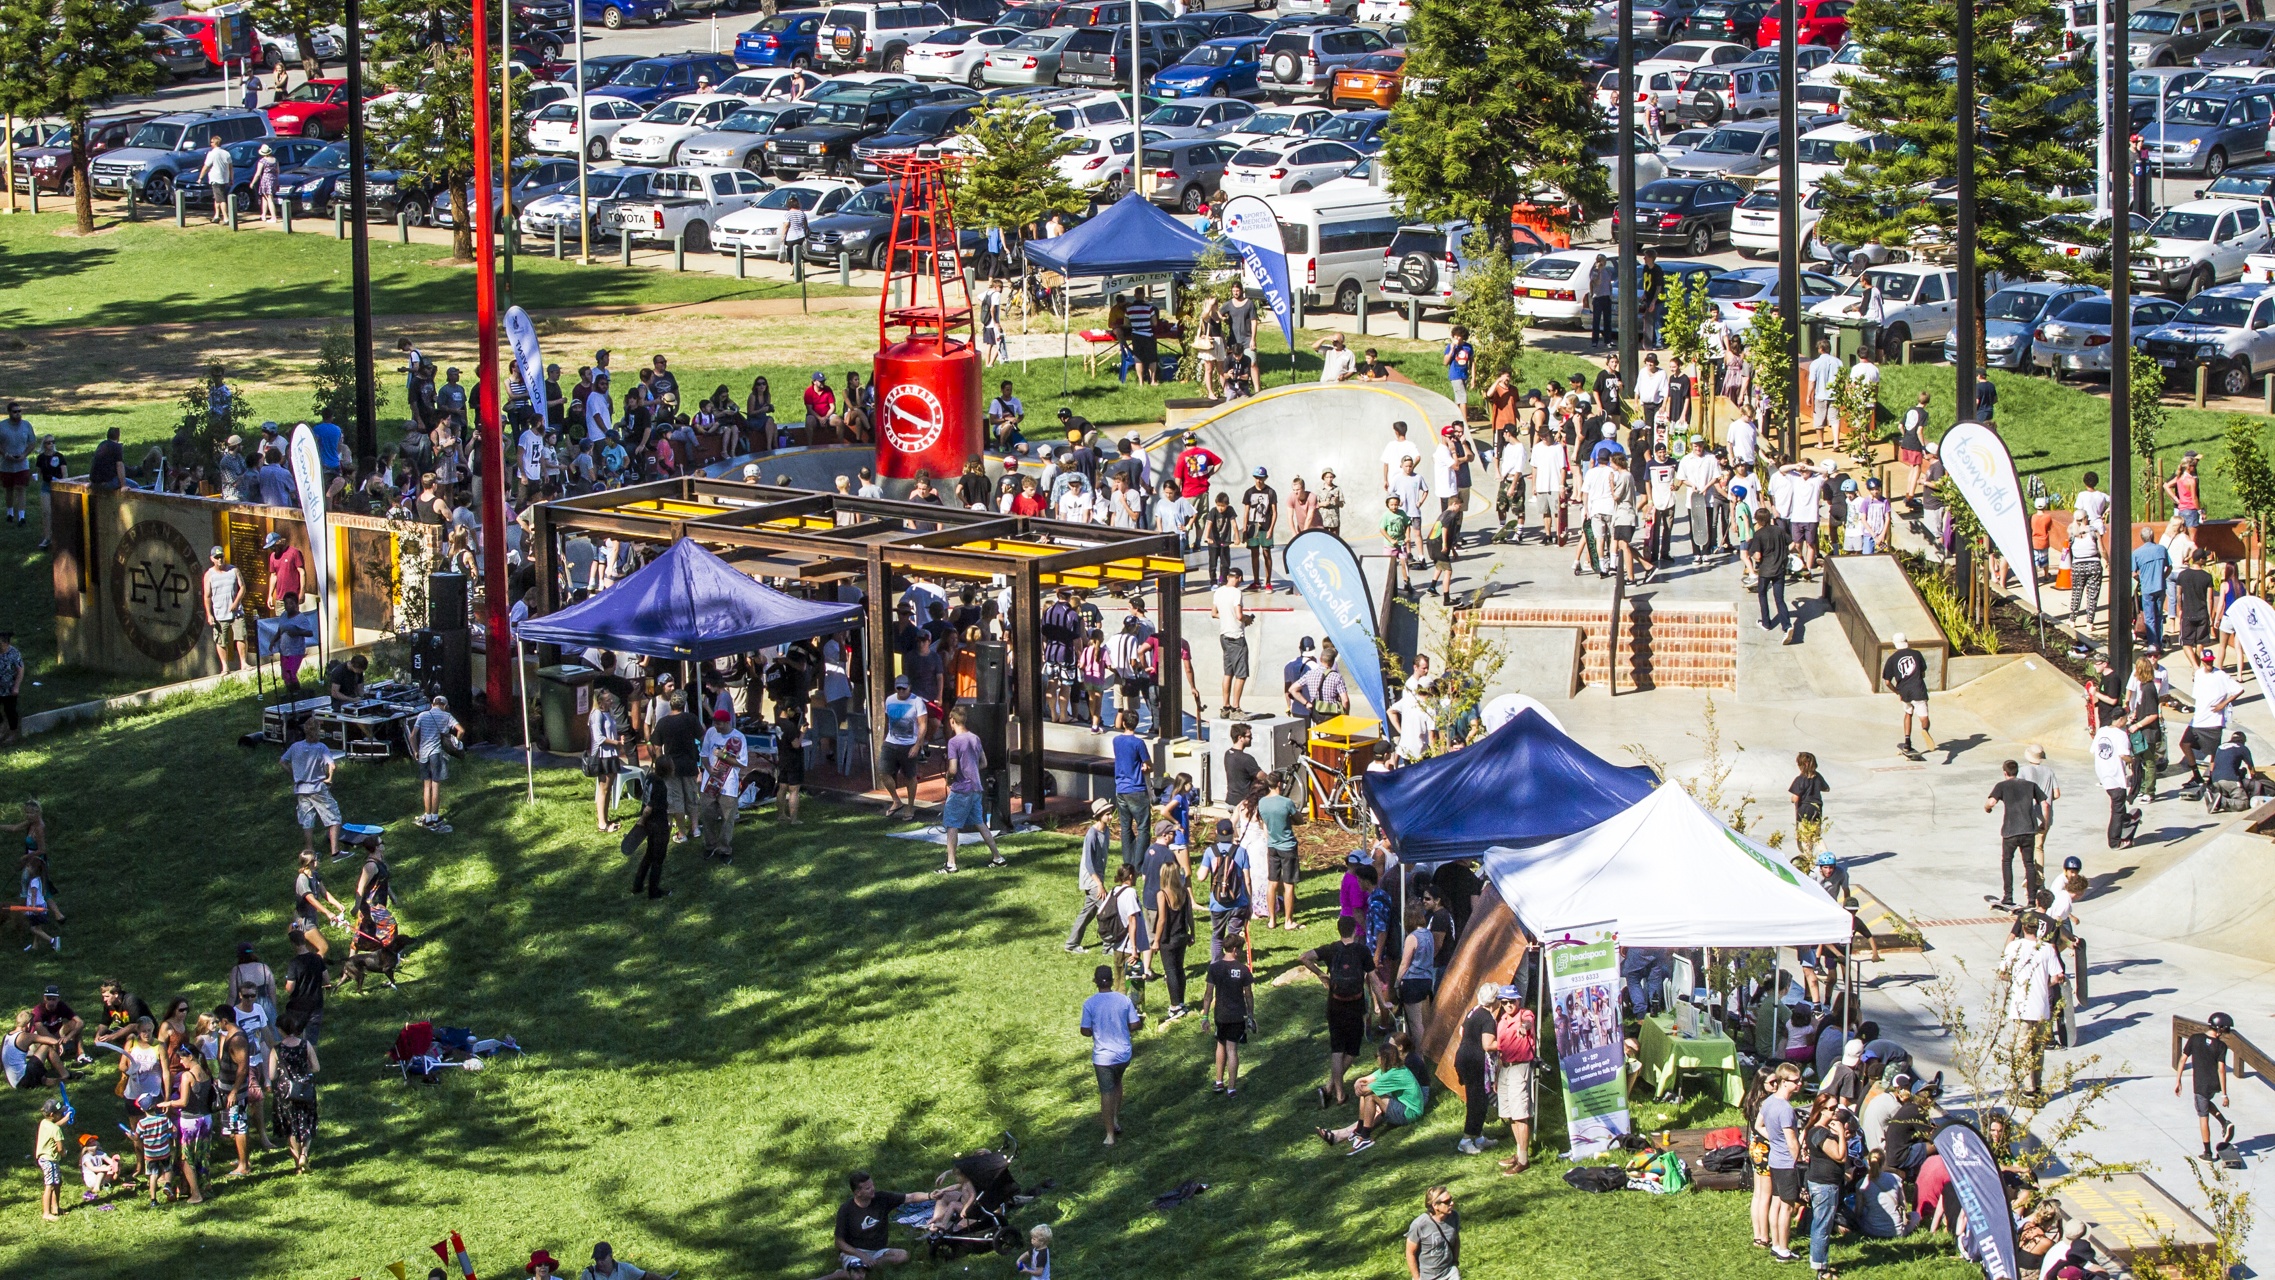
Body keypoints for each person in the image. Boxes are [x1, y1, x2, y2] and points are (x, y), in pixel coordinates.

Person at [1298, 915, 1373, 1107]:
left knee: (1337, 1049)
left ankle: (1336, 1092)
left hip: (1335, 1004)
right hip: (1355, 1004)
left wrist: (1321, 974)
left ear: (1339, 931)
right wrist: (1380, 1004)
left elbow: (1304, 957)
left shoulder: (1331, 949)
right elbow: (1373, 977)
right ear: (1354, 930)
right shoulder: (1362, 951)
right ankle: (1330, 1088)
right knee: (1353, 1049)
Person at [1317, 1041, 1426, 1154]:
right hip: (1403, 1106)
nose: (1376, 1059)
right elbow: (1365, 1080)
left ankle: (1365, 1137)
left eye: (1376, 1056)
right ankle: (1359, 1130)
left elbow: (1366, 1089)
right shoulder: (1389, 1069)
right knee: (1368, 1092)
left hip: (1410, 1114)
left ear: (1384, 1058)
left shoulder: (1395, 1074)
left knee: (1371, 1094)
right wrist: (1358, 1083)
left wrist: (1360, 1088)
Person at [1079, 963, 1142, 1145]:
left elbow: (1084, 1030)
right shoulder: (1123, 1000)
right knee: (1117, 1082)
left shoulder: (1090, 1003)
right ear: (1113, 980)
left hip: (1103, 1057)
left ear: (1095, 981)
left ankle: (1109, 1135)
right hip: (1123, 1054)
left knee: (1106, 1092)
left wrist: (1094, 1030)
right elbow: (1135, 1024)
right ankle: (1114, 1119)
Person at [940, 706, 1002, 873]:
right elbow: (984, 763)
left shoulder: (953, 742)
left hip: (961, 789)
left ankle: (951, 864)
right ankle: (998, 857)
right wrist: (971, 769)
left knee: (952, 824)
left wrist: (948, 778)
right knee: (980, 823)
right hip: (976, 787)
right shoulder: (975, 738)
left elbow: (953, 769)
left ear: (952, 721)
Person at [1986, 758, 2048, 909]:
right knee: (2029, 864)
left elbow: (1991, 802)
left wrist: (1987, 808)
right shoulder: (2030, 785)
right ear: (2017, 771)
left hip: (2010, 831)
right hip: (2028, 830)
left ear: (2005, 772)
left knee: (2007, 862)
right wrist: (2044, 823)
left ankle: (2008, 896)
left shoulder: (2001, 786)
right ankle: (2032, 899)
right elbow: (2045, 804)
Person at [1757, 1063, 1804, 1262]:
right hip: (1786, 1164)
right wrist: (1799, 1161)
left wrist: (1774, 1140)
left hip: (1774, 1160)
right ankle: (1783, 1250)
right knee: (1787, 1207)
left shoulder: (1768, 1102)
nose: (1800, 1084)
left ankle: (1776, 1245)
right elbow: (1792, 1141)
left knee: (1776, 1203)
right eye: (1796, 1081)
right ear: (1784, 1082)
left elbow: (1759, 1125)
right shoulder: (1786, 1109)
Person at [1202, 920, 1254, 1095]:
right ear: (1235, 950)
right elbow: (1248, 995)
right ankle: (1231, 1088)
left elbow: (1208, 994)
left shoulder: (1214, 968)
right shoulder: (1243, 969)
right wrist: (1251, 1015)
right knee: (1232, 1049)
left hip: (1220, 1014)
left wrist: (1205, 1016)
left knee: (1220, 1044)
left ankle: (1219, 1082)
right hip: (1237, 1014)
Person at [2178, 1011, 2238, 1160]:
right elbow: (2221, 1069)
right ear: (2220, 1029)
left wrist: (2178, 1080)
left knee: (2203, 1116)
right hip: (2213, 1084)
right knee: (2205, 1103)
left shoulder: (2195, 1038)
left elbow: (2183, 1059)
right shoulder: (2221, 1046)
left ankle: (2207, 1153)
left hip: (2200, 1085)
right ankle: (2224, 1122)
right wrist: (2224, 1094)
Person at [282, 718, 343, 861]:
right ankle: (335, 852)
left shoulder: (295, 746)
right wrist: (329, 778)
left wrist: (294, 774)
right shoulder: (321, 747)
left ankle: (310, 852)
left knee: (307, 820)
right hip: (317, 787)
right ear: (317, 731)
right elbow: (332, 765)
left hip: (301, 789)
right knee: (334, 817)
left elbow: (283, 762)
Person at [267, 1011, 320, 1174]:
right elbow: (316, 1067)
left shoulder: (277, 1049)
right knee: (307, 1122)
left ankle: (298, 1165)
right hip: (304, 1088)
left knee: (290, 1126)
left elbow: (271, 1075)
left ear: (280, 1029)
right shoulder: (305, 1045)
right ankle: (304, 1154)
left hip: (285, 1091)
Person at [1804, 1095, 1851, 1277]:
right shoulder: (1820, 1133)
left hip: (1821, 1183)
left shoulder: (1816, 1130)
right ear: (1821, 1110)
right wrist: (1841, 1134)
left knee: (1820, 1224)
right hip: (1825, 1185)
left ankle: (1818, 1262)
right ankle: (1821, 1269)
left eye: (1836, 1107)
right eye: (1831, 1109)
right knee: (1822, 1227)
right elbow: (1840, 1156)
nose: (1835, 1111)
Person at [697, 708, 748, 864]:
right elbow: (704, 755)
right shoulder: (711, 733)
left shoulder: (739, 738)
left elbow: (742, 763)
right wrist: (708, 769)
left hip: (729, 784)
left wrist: (723, 756)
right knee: (707, 815)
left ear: (727, 722)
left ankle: (724, 849)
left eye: (719, 724)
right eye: (715, 723)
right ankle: (710, 845)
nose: (716, 726)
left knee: (727, 818)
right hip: (710, 782)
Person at [1199, 818, 1252, 964]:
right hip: (1238, 902)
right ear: (1232, 833)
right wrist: (1249, 902)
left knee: (1217, 935)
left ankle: (1216, 965)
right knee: (1234, 936)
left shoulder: (1210, 851)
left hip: (1217, 903)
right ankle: (1232, 964)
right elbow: (1247, 880)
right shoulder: (1241, 851)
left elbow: (1201, 877)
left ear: (1216, 832)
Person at [407, 695, 461, 834]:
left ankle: (427, 816)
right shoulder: (447, 716)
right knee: (436, 785)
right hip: (437, 753)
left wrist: (415, 751)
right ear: (445, 705)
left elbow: (412, 736)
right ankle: (435, 817)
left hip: (423, 753)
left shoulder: (422, 715)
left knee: (427, 785)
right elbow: (461, 730)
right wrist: (455, 743)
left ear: (432, 704)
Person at [1882, 632, 1934, 760]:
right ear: (1906, 641)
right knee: (1924, 717)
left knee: (1908, 713)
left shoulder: (1892, 659)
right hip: (1918, 689)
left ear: (1895, 644)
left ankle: (1907, 742)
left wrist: (1897, 691)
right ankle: (1925, 729)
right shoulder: (1916, 654)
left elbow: (1887, 682)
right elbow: (1923, 672)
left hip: (1904, 691)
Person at [1110, 710, 1151, 866]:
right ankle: (1139, 865)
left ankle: (1128, 863)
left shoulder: (1116, 741)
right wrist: (1147, 767)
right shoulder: (1138, 743)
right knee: (1143, 828)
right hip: (1137, 789)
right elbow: (1148, 764)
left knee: (1125, 827)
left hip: (1121, 788)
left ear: (1123, 723)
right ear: (1137, 724)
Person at [1743, 509, 1793, 635]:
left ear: (1758, 520)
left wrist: (1752, 554)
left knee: (1762, 594)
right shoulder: (1779, 530)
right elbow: (1793, 544)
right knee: (1779, 599)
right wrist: (1785, 553)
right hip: (1779, 569)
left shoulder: (1759, 534)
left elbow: (1758, 556)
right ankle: (1787, 626)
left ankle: (1766, 623)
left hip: (1765, 571)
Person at [1213, 567, 1253, 718]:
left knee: (1228, 672)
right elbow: (1239, 615)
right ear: (1239, 578)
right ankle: (1236, 708)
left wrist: (1226, 617)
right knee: (1241, 674)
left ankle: (1225, 707)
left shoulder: (1218, 592)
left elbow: (1214, 613)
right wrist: (1247, 619)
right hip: (1236, 637)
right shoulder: (1237, 593)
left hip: (1224, 636)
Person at [1406, 1186, 1460, 1280]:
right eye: (1447, 1201)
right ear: (1435, 1205)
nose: (1452, 1203)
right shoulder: (1419, 1225)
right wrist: (1417, 1278)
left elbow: (1456, 1239)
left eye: (1451, 1199)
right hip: (1427, 1277)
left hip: (1450, 1273)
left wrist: (1455, 1262)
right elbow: (1410, 1253)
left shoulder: (1454, 1216)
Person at [35, 1097, 66, 1220]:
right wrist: (64, 1153)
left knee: (57, 1182)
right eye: (60, 1113)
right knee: (50, 1185)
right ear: (53, 1114)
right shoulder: (56, 1130)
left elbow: (56, 1125)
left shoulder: (44, 1123)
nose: (62, 1114)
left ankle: (55, 1208)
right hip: (49, 1160)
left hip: (44, 1158)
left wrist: (66, 1118)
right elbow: (60, 1148)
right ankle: (46, 1213)